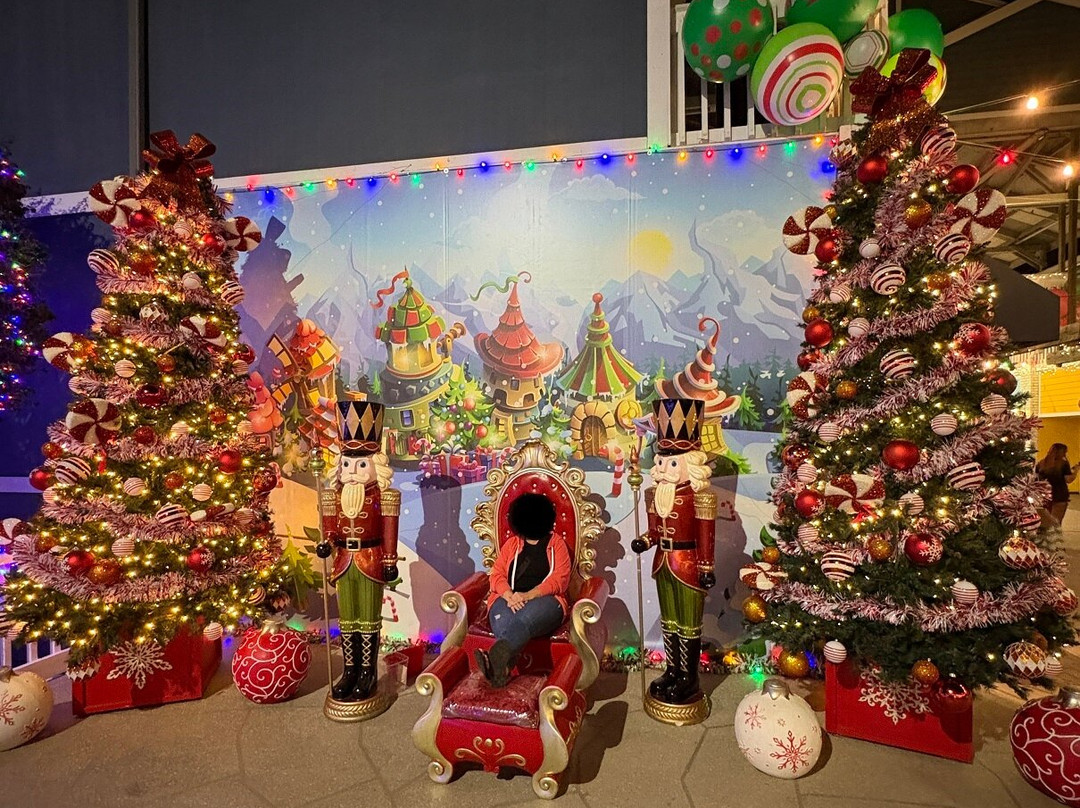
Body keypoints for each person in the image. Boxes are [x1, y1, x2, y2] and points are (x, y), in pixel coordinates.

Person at [631, 398, 717, 710]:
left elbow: (705, 535)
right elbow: (654, 531)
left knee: (688, 623)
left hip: (688, 565)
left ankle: (688, 677)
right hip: (663, 563)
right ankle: (672, 670)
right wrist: (644, 541)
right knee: (669, 621)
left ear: (690, 464)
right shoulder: (655, 494)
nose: (662, 469)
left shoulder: (700, 497)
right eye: (660, 462)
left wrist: (706, 567)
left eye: (672, 463)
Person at [315, 399, 400, 705]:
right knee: (348, 619)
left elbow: (389, 530)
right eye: (348, 464)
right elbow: (329, 528)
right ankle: (349, 671)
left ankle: (368, 673)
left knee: (368, 620)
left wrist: (389, 561)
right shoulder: (333, 496)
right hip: (343, 561)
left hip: (371, 560)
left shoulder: (384, 496)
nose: (352, 472)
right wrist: (327, 543)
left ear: (375, 465)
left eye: (361, 465)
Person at [475, 492, 571, 688]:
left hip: (545, 600)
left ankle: (493, 660)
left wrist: (527, 596)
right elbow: (496, 575)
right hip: (508, 598)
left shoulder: (556, 544)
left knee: (523, 619)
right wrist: (509, 595)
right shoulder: (512, 544)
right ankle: (500, 669)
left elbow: (560, 580)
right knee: (503, 620)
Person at [1036, 442, 1077, 524]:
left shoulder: (1041, 463)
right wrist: (1076, 471)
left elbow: (1037, 479)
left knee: (1045, 522)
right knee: (1056, 523)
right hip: (1060, 494)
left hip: (1044, 495)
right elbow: (1068, 479)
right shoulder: (1063, 463)